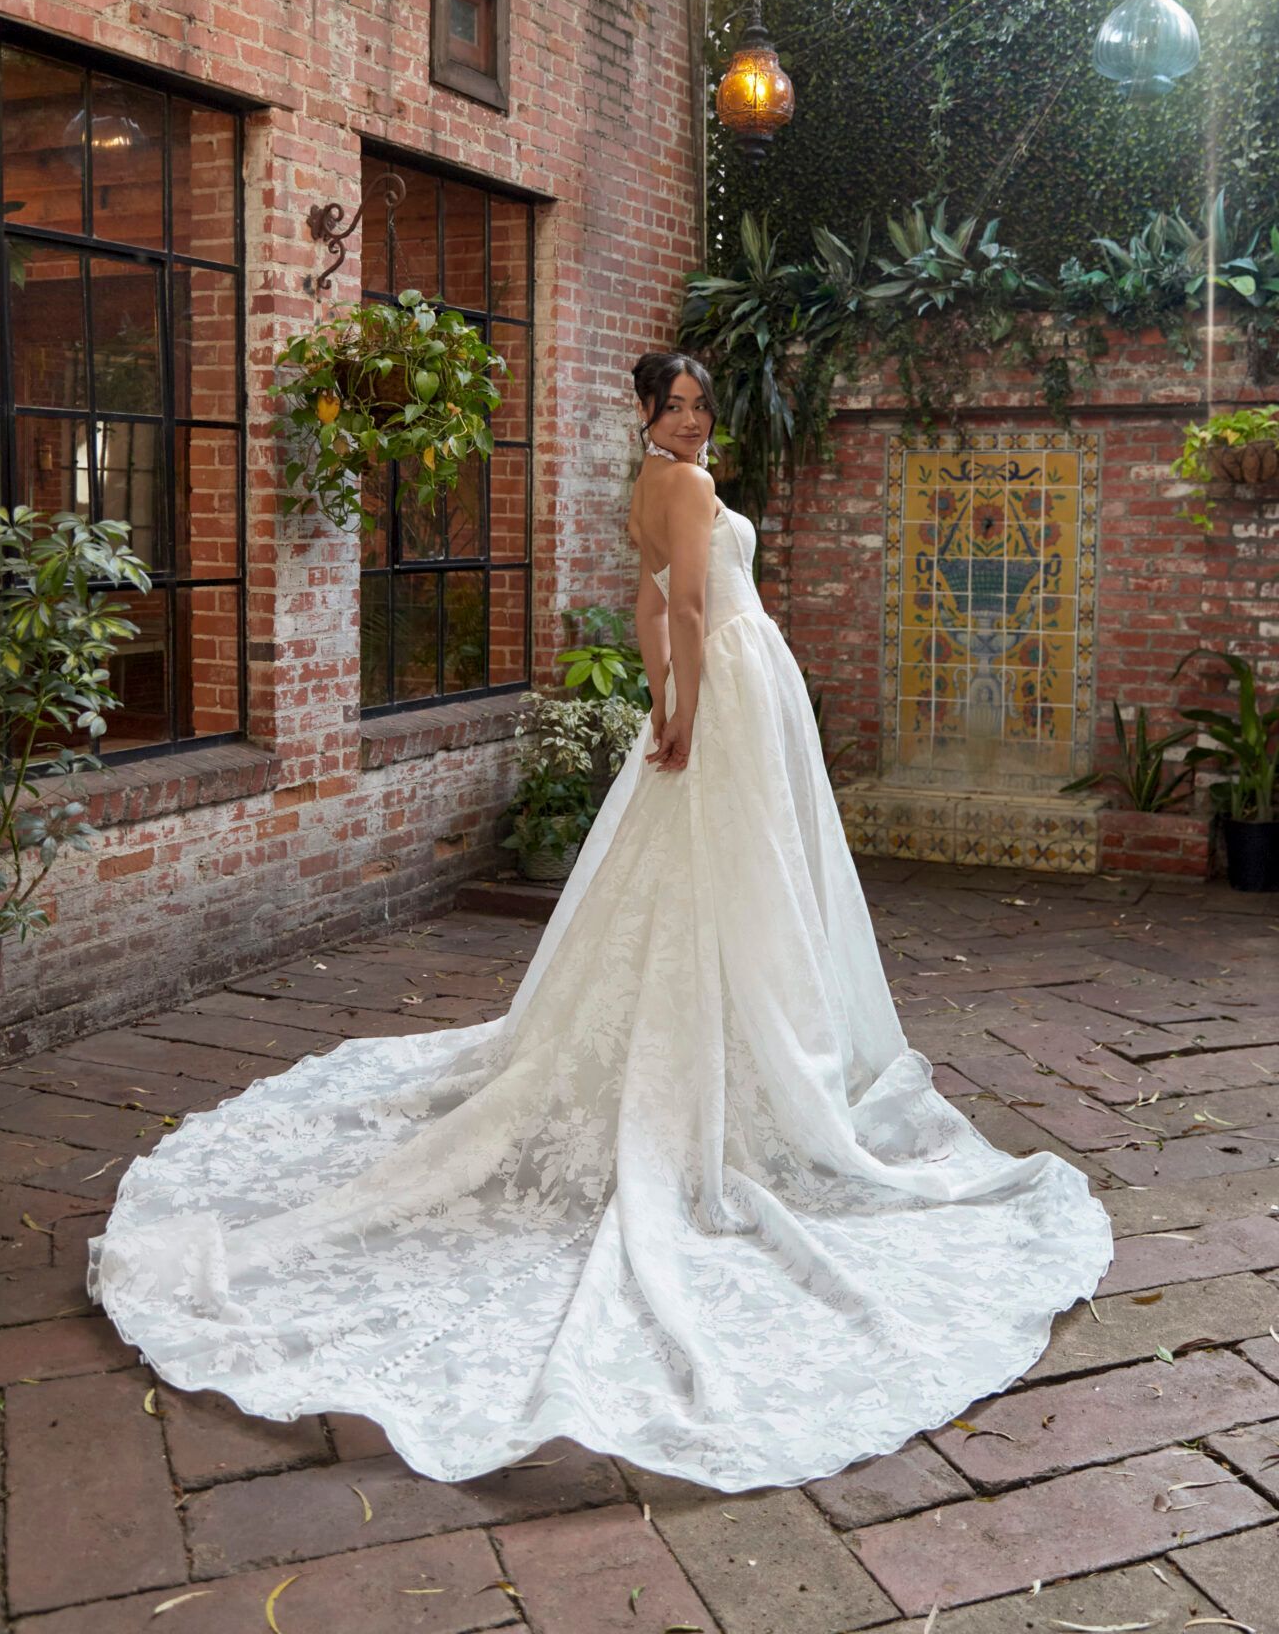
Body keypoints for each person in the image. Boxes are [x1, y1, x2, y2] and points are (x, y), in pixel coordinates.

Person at [86, 349, 1114, 1494]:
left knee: (736, 874)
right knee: (731, 871)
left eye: (696, 403)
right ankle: (736, 1067)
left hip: (725, 677)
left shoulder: (657, 479)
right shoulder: (679, 485)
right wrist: (676, 708)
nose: (685, 418)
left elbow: (646, 597)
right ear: (642, 410)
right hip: (722, 681)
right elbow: (674, 598)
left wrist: (660, 689)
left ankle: (742, 1038)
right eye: (669, 404)